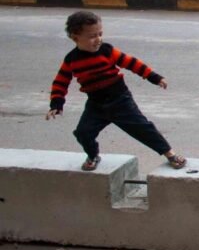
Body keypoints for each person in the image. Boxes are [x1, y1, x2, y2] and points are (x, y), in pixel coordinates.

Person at [46, 11, 187, 172]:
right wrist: (56, 103)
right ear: (75, 37)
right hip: (96, 105)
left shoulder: (107, 51)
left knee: (143, 128)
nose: (98, 39)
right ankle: (93, 155)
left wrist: (154, 77)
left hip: (120, 100)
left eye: (100, 34)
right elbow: (61, 81)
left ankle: (170, 154)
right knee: (83, 133)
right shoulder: (71, 60)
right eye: (92, 36)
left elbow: (132, 63)